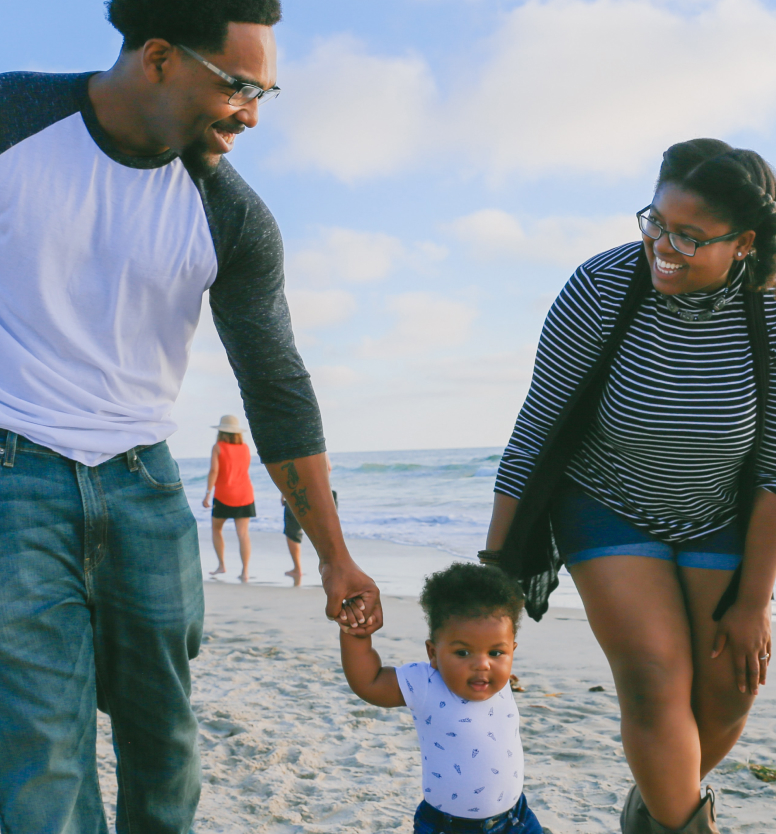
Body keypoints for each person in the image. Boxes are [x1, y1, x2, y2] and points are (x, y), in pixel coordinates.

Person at [0, 2, 381, 832]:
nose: (251, 113)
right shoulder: (12, 119)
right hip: (11, 476)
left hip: (145, 484)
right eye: (239, 87)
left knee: (166, 746)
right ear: (161, 58)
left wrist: (335, 557)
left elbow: (276, 387)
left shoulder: (232, 215)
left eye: (265, 94)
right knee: (40, 753)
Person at [485, 139, 776, 834]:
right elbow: (536, 430)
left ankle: (655, 809)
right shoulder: (603, 286)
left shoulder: (770, 312)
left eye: (688, 236)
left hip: (718, 515)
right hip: (605, 502)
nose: (662, 246)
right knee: (654, 678)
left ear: (743, 244)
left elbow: (773, 469)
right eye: (655, 221)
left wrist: (752, 604)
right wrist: (495, 575)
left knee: (731, 691)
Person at [340, 562, 543, 834]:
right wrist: (357, 636)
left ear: (512, 651)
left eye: (496, 653)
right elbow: (369, 682)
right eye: (463, 653)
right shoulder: (426, 683)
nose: (482, 664)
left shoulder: (499, 683)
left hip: (515, 818)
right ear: (433, 653)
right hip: (450, 827)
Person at [203, 415, 255, 581]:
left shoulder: (218, 447)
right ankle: (245, 572)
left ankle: (221, 565)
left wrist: (208, 493)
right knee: (243, 534)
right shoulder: (245, 447)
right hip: (245, 494)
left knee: (217, 529)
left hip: (224, 494)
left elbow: (214, 471)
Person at [282, 451, 337, 580]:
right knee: (326, 532)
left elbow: (285, 471)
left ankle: (297, 569)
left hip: (297, 491)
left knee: (292, 532)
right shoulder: (315, 440)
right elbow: (328, 467)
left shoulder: (289, 444)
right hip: (323, 492)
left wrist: (284, 492)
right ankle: (330, 568)